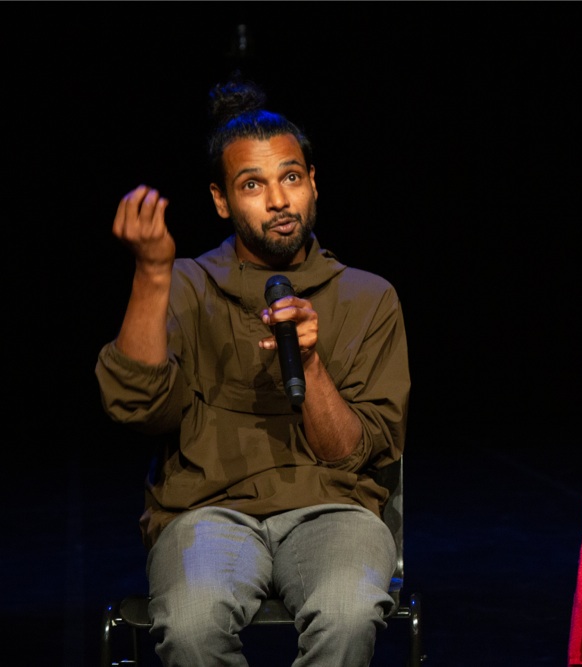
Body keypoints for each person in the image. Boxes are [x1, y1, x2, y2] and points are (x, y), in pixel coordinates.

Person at [95, 75, 410, 667]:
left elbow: (355, 454)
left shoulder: (369, 298)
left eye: (290, 178)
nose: (278, 200)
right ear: (221, 200)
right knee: (192, 624)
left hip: (334, 510)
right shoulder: (188, 286)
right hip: (205, 513)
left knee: (346, 613)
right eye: (252, 185)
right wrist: (153, 274)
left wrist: (311, 364)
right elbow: (135, 408)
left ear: (313, 182)